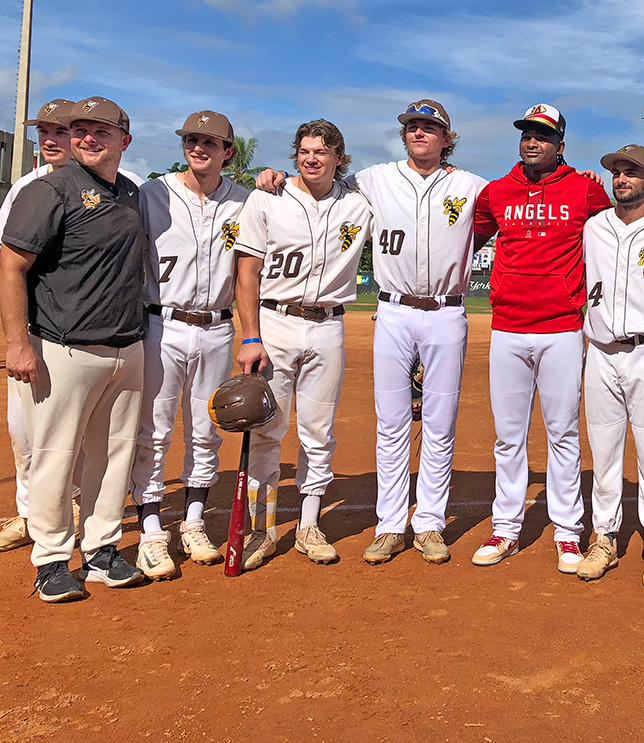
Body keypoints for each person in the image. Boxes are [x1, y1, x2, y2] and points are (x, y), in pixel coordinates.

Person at [255, 100, 486, 566]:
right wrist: (269, 174)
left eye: (430, 127)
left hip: (447, 311)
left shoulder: (473, 185)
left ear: (447, 137)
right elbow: (315, 179)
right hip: (394, 310)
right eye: (412, 127)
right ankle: (389, 525)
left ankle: (430, 524)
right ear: (404, 136)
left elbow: (516, 204)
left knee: (440, 423)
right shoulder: (372, 180)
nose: (420, 133)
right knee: (391, 422)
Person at [1, 96, 148, 601]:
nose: (87, 138)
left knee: (112, 455)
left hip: (126, 346)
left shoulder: (129, 191)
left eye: (100, 131)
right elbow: (11, 265)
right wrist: (17, 344)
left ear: (124, 141)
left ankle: (103, 548)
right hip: (63, 348)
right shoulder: (51, 188)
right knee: (54, 456)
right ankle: (50, 560)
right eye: (80, 129)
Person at [469, 104, 610, 574]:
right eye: (527, 133)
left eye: (543, 136)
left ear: (560, 146)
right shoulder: (496, 193)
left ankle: (568, 533)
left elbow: (616, 231)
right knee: (508, 438)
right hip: (508, 327)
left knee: (563, 434)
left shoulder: (584, 190)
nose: (532, 141)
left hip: (562, 330)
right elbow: (470, 235)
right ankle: (505, 527)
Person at [233, 119, 372, 569]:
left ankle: (309, 525)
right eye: (304, 150)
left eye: (322, 151)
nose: (311, 158)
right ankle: (262, 528)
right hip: (275, 322)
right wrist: (251, 335)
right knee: (267, 427)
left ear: (338, 157)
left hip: (328, 325)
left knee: (318, 431)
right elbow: (247, 273)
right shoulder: (267, 197)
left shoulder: (359, 201)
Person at [129, 111, 249, 579]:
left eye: (210, 142)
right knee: (153, 432)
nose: (198, 147)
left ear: (228, 152)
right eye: (192, 140)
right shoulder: (153, 193)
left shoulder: (244, 201)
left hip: (218, 328)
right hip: (163, 323)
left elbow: (247, 271)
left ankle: (194, 522)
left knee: (207, 429)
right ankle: (152, 529)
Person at [573, 144, 644, 588]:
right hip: (599, 351)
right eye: (617, 172)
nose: (621, 179)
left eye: (631, 172)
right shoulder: (593, 227)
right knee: (604, 451)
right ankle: (605, 536)